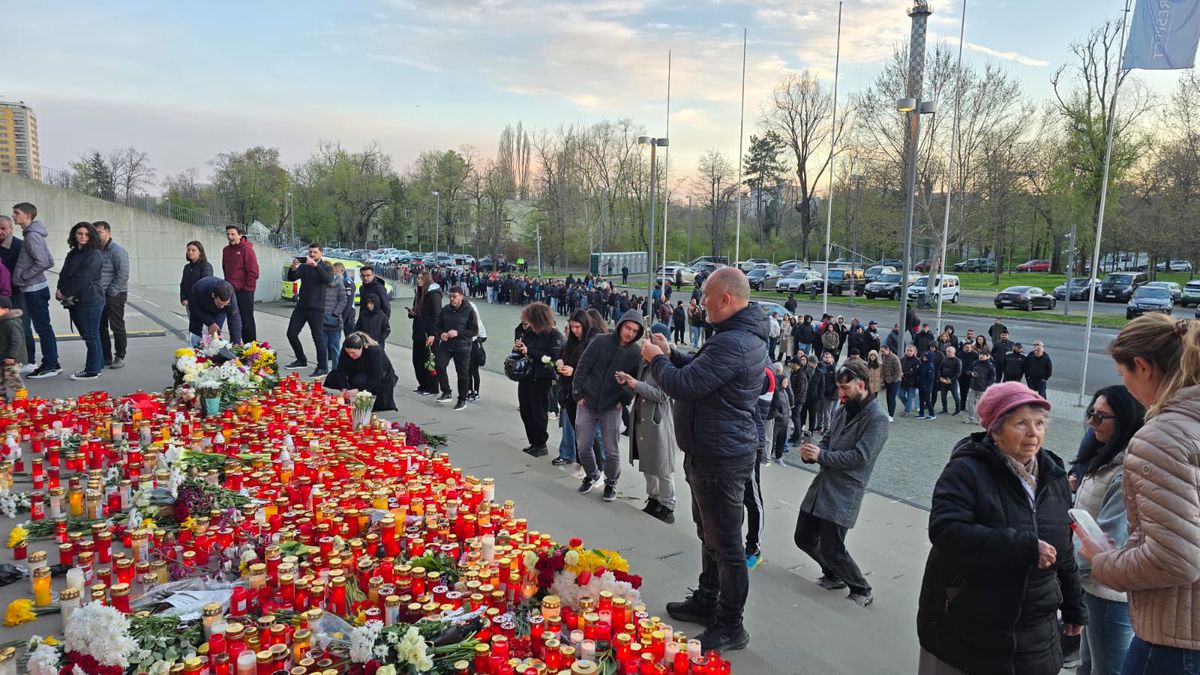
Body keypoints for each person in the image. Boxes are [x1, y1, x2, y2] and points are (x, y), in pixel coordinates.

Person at [917, 381, 1086, 674]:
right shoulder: (966, 470)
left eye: (1039, 423)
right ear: (994, 430)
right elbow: (945, 530)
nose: (1034, 432)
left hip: (1036, 627)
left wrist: (1073, 603)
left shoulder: (1054, 476)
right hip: (971, 621)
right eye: (1021, 423)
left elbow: (1064, 548)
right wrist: (1021, 547)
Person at [642, 267, 767, 652]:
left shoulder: (734, 342)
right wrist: (671, 353)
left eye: (706, 297)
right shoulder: (734, 337)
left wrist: (655, 360)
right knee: (709, 536)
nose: (700, 304)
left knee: (726, 545)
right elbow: (700, 370)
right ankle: (707, 599)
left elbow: (687, 384)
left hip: (721, 458)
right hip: (710, 452)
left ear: (726, 299)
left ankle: (731, 625)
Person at [1081, 315, 1200, 673]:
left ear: (1143, 367)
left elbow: (1175, 560)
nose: (1126, 388)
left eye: (1123, 376)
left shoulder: (1162, 438)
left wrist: (1101, 560)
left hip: (1174, 640)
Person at [795, 360, 890, 607]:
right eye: (838, 388)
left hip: (844, 492)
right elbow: (828, 438)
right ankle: (833, 574)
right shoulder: (843, 408)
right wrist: (813, 452)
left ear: (861, 384)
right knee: (803, 537)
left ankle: (862, 588)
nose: (840, 394)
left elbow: (861, 457)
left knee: (833, 548)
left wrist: (821, 455)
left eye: (845, 388)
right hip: (822, 486)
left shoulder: (877, 419)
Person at [1070, 385, 1144, 675]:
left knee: (1108, 670)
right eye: (1091, 413)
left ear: (1125, 421)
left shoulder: (1126, 470)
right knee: (1088, 665)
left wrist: (1061, 565)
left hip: (1110, 594)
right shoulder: (1104, 458)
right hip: (1092, 585)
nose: (1091, 422)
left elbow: (1110, 540)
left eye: (1101, 417)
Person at [572, 308, 643, 499]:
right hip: (587, 400)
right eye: (628, 328)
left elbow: (634, 382)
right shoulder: (601, 341)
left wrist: (624, 400)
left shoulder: (636, 354)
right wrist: (578, 392)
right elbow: (583, 366)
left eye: (635, 331)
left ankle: (611, 483)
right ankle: (592, 475)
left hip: (612, 405)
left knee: (612, 450)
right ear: (620, 325)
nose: (630, 333)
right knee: (583, 444)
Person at [618, 322, 678, 524]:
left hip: (658, 422)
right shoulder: (645, 364)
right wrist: (628, 382)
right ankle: (653, 499)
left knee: (662, 467)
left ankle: (668, 505)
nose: (645, 347)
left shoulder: (666, 366)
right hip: (642, 420)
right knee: (647, 464)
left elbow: (662, 395)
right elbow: (638, 389)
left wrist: (637, 384)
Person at [11, 203, 58, 379]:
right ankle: (53, 363)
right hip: (35, 288)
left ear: (28, 216)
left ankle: (51, 365)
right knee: (43, 327)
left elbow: (44, 262)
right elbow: (49, 260)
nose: (14, 215)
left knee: (43, 328)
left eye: (17, 213)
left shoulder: (32, 237)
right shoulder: (33, 235)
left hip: (34, 289)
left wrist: (24, 276)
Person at [514, 302, 565, 457]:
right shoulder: (530, 333)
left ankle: (541, 443)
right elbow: (525, 351)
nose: (531, 325)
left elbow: (552, 358)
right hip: (527, 376)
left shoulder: (555, 336)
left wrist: (530, 351)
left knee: (539, 412)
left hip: (542, 377)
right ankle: (533, 441)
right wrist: (518, 349)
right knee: (525, 410)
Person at [56, 222, 105, 381]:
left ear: (91, 236)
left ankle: (92, 370)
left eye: (86, 234)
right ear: (74, 235)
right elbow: (64, 274)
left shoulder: (94, 254)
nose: (83, 237)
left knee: (91, 335)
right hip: (76, 300)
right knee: (90, 335)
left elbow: (84, 276)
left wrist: (64, 291)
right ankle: (98, 364)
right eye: (79, 233)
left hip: (91, 299)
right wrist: (59, 289)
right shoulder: (73, 253)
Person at [553, 310, 599, 467]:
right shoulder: (571, 342)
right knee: (576, 430)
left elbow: (595, 370)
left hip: (585, 395)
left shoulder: (592, 342)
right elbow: (561, 356)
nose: (574, 330)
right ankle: (583, 463)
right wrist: (559, 363)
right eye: (572, 327)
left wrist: (573, 371)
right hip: (569, 392)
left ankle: (594, 466)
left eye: (577, 327)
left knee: (587, 434)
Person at [284, 243, 335, 377]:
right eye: (310, 252)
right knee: (291, 333)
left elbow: (328, 280)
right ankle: (301, 359)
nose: (312, 254)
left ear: (321, 253)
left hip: (317, 308)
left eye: (315, 252)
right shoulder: (305, 266)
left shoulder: (326, 266)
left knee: (318, 338)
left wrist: (316, 266)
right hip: (301, 306)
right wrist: (293, 268)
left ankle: (322, 367)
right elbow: (292, 278)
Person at [323, 331, 397, 412]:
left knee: (359, 380)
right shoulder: (346, 350)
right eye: (348, 353)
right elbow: (341, 370)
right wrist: (344, 387)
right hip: (358, 370)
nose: (350, 355)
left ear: (361, 348)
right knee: (333, 376)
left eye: (353, 353)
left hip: (381, 377)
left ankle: (359, 393)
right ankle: (351, 392)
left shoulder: (374, 351)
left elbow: (376, 377)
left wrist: (358, 389)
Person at [433, 285, 479, 411]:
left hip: (462, 346)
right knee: (439, 364)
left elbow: (474, 330)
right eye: (450, 296)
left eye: (455, 297)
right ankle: (446, 391)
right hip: (446, 345)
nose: (452, 299)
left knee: (463, 374)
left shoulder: (469, 310)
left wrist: (458, 333)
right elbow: (438, 326)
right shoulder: (445, 309)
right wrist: (440, 334)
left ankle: (462, 399)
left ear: (461, 297)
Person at [93, 222, 129, 370]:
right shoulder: (94, 250)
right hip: (97, 295)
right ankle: (105, 357)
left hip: (115, 295)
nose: (97, 235)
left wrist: (111, 291)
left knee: (117, 326)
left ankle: (120, 356)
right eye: (94, 232)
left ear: (108, 233)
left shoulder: (118, 251)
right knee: (101, 327)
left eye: (100, 232)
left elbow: (123, 274)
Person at [222, 225, 259, 343]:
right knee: (233, 318)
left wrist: (247, 288)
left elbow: (253, 271)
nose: (230, 237)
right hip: (231, 290)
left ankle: (251, 348)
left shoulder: (246, 249)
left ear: (240, 235)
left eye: (232, 234)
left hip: (244, 291)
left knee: (246, 320)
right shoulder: (226, 250)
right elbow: (225, 268)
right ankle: (236, 344)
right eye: (228, 234)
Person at [408, 271, 442, 396]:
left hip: (429, 333)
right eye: (417, 278)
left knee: (429, 361)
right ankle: (422, 384)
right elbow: (416, 309)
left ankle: (432, 388)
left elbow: (436, 315)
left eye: (421, 278)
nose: (418, 280)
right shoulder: (419, 293)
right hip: (418, 331)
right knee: (417, 360)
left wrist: (433, 334)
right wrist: (412, 313)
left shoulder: (434, 295)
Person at [187, 277, 242, 345]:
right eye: (220, 303)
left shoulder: (230, 296)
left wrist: (236, 342)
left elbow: (234, 319)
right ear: (213, 295)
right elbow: (194, 308)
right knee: (195, 330)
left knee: (215, 332)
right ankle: (194, 349)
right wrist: (210, 322)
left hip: (219, 312)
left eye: (225, 304)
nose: (222, 306)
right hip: (199, 307)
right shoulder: (200, 289)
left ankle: (213, 351)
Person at [321, 264, 348, 370]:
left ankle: (336, 369)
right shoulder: (320, 285)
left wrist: (335, 314)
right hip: (321, 319)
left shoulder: (339, 284)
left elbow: (344, 300)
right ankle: (323, 368)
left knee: (334, 347)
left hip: (334, 321)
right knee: (322, 347)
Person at [0, 296, 24, 401]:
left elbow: (16, 340)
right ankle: (2, 397)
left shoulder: (11, 322)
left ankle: (22, 398)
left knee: (12, 378)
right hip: (3, 356)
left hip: (12, 359)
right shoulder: (2, 321)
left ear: (5, 309)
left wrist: (11, 355)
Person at [358, 265, 391, 338]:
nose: (365, 278)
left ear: (373, 275)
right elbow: (362, 307)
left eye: (368, 275)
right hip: (365, 327)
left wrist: (381, 326)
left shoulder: (379, 288)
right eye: (363, 276)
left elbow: (386, 308)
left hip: (377, 328)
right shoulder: (362, 288)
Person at [179, 241, 212, 313]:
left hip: (201, 303)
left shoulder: (205, 266)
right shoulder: (187, 267)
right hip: (189, 303)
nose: (190, 252)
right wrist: (183, 298)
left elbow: (206, 285)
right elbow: (183, 284)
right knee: (192, 323)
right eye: (188, 250)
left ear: (200, 252)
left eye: (193, 250)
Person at [964, 350, 996, 423]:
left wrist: (986, 386)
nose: (981, 356)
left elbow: (992, 378)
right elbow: (968, 371)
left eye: (983, 355)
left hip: (982, 389)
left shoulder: (990, 365)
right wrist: (971, 374)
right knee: (970, 403)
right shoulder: (975, 363)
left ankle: (980, 419)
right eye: (980, 355)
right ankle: (971, 417)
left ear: (988, 356)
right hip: (973, 387)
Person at [786, 355, 809, 445]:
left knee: (796, 418)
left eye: (792, 363)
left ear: (796, 364)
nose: (790, 365)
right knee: (795, 418)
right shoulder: (795, 372)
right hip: (796, 399)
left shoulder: (800, 374)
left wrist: (793, 401)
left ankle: (798, 437)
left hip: (798, 400)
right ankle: (795, 435)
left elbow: (800, 390)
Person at [467, 300, 487, 403]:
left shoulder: (477, 321)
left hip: (474, 346)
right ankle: (469, 390)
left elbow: (483, 336)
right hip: (467, 345)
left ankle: (476, 392)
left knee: (474, 371)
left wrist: (475, 340)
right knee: (468, 370)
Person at [938, 346, 963, 416]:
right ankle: (944, 409)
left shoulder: (958, 361)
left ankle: (958, 410)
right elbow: (939, 369)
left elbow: (958, 373)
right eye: (946, 352)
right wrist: (940, 377)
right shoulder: (944, 359)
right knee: (943, 395)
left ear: (954, 352)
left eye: (949, 352)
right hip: (944, 380)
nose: (947, 353)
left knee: (955, 396)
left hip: (952, 381)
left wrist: (951, 380)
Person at [880, 344, 902, 421]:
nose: (882, 353)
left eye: (883, 351)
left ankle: (891, 415)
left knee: (892, 398)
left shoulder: (894, 358)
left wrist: (894, 380)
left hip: (894, 381)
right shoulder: (884, 357)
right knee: (888, 398)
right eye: (881, 351)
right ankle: (889, 412)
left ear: (888, 349)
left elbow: (898, 371)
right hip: (887, 381)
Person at [917, 349, 937, 420]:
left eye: (925, 357)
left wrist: (926, 384)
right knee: (921, 399)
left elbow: (930, 378)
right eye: (923, 356)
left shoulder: (930, 366)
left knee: (927, 400)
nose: (923, 357)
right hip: (921, 385)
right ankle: (921, 414)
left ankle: (932, 414)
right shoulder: (922, 364)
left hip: (927, 386)